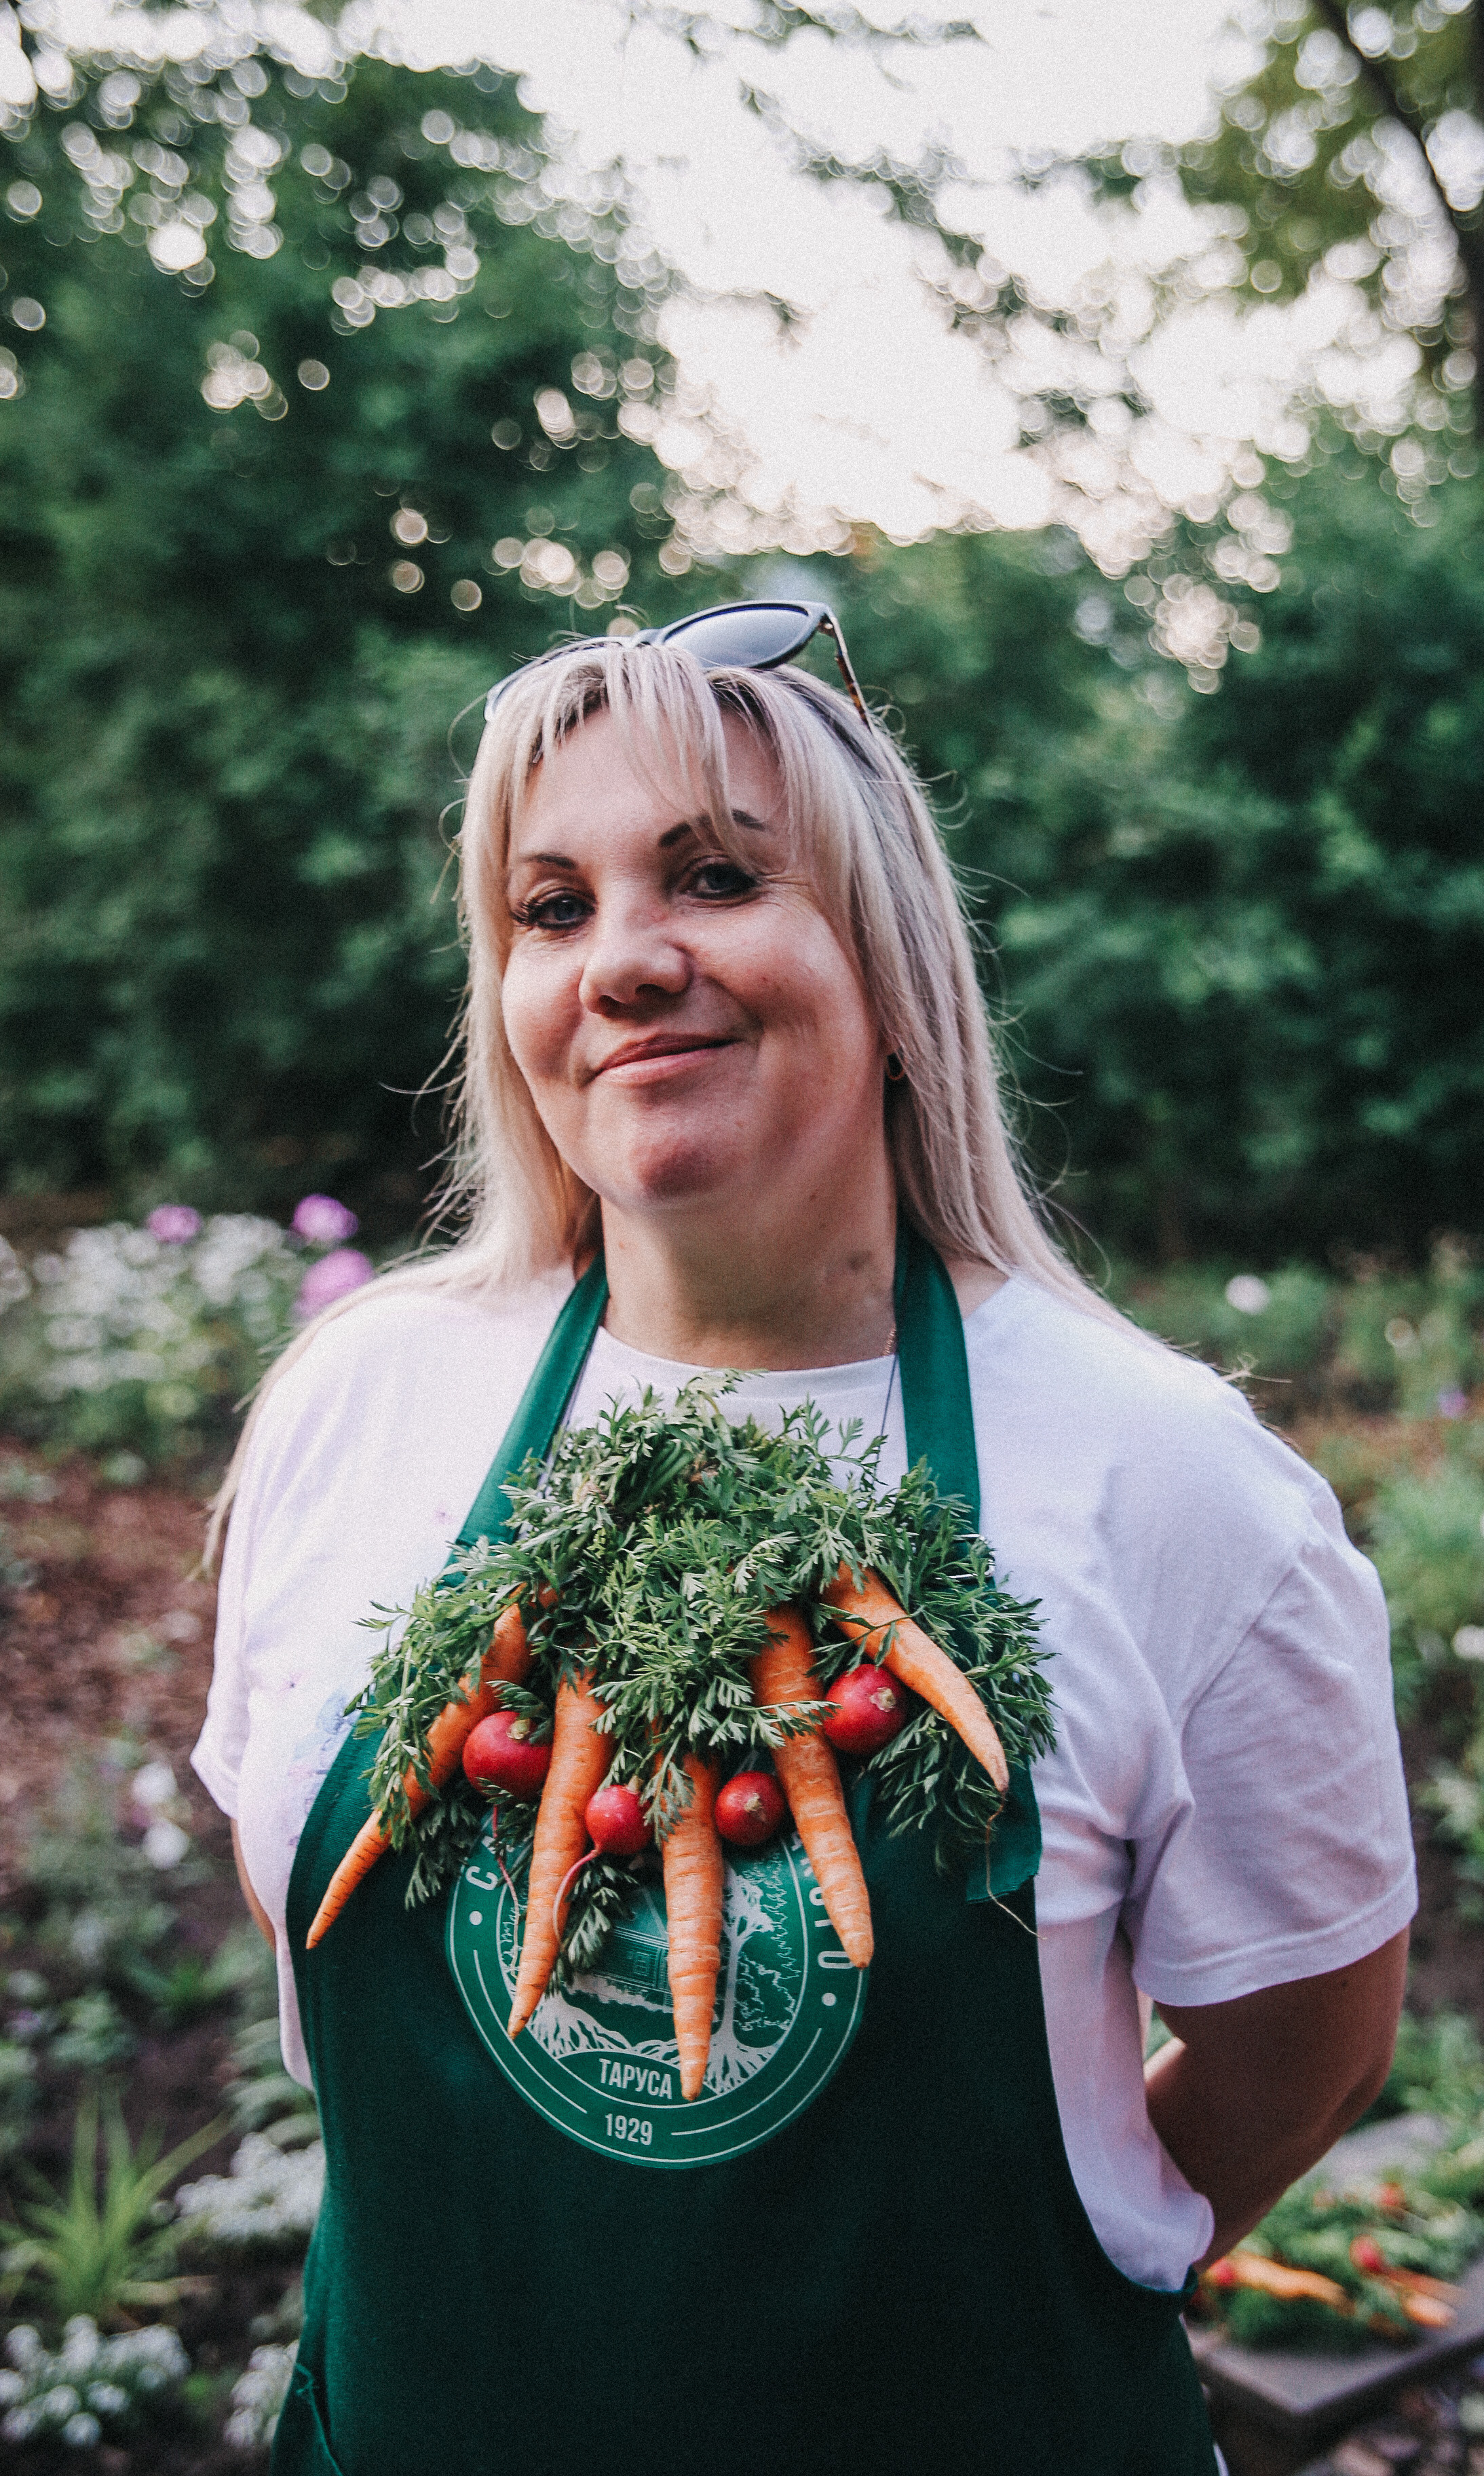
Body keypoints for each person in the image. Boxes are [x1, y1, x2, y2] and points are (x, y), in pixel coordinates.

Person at [195, 605, 1415, 2476]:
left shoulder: (1173, 1485)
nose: (626, 960)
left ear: (884, 947)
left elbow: (1304, 2045)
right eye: (550, 906)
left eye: (712, 873)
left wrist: (1032, 2292)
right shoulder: (364, 1404)